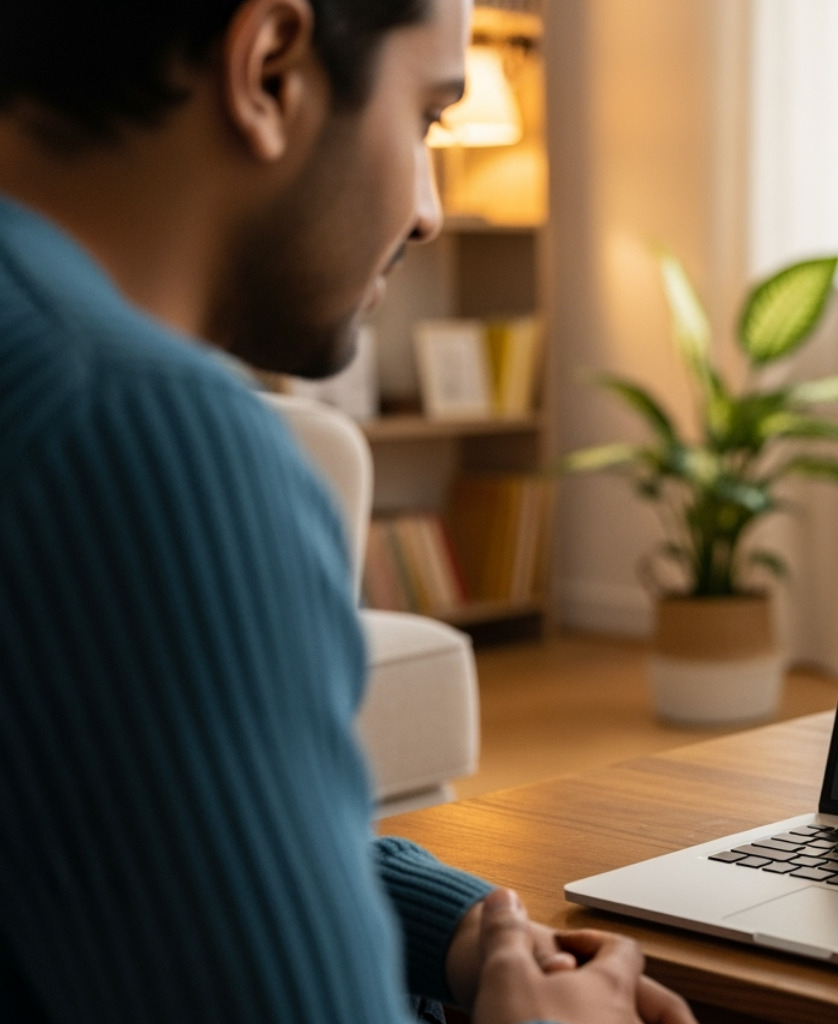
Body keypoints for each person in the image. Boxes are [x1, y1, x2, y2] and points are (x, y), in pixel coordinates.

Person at [0, 4, 692, 1024]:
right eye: (427, 118)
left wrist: (459, 922)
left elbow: (160, 835)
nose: (428, 212)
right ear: (270, 72)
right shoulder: (141, 435)